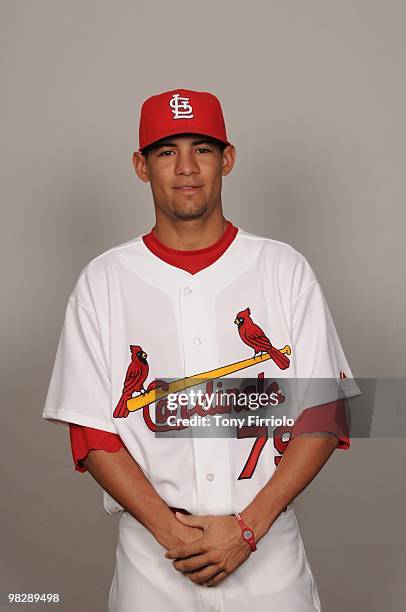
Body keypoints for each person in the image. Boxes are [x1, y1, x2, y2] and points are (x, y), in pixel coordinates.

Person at [42, 88, 360, 612]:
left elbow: (325, 414)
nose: (186, 167)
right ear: (141, 167)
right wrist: (174, 535)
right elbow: (91, 432)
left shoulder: (284, 269)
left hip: (269, 559)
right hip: (153, 563)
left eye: (203, 149)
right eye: (167, 151)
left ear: (227, 159)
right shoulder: (103, 281)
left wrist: (247, 530)